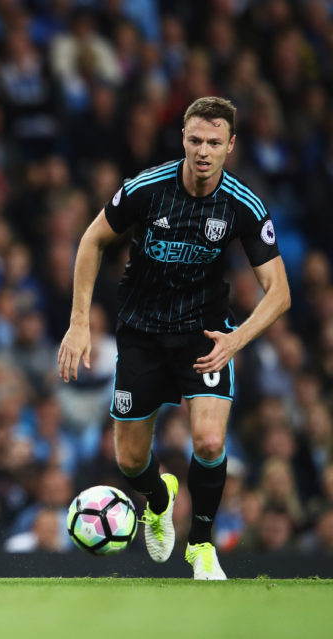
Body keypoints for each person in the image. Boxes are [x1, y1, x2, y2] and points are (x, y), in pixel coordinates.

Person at [58, 97, 291, 580]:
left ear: (231, 145)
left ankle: (201, 546)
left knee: (208, 442)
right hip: (141, 334)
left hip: (204, 335)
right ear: (183, 140)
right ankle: (160, 498)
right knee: (129, 460)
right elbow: (91, 240)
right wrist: (80, 322)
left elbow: (280, 293)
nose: (203, 151)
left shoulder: (242, 205)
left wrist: (236, 339)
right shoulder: (146, 189)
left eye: (213, 142)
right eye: (194, 141)